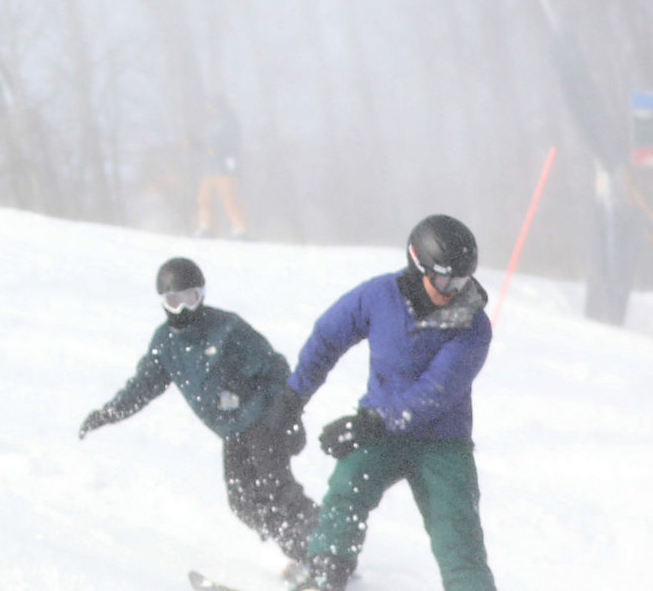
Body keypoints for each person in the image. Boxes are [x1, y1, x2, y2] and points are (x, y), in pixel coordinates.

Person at [286, 214, 496, 591]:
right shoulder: (379, 296)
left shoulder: (474, 325)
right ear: (418, 265)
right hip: (381, 432)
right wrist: (294, 395)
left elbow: (437, 390)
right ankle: (324, 578)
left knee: (458, 538)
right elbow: (327, 338)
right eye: (444, 281)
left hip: (442, 443)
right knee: (347, 488)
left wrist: (374, 422)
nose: (452, 291)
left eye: (462, 281)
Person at [79, 257, 320, 577]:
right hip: (233, 431)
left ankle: (325, 551)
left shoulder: (227, 329)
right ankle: (305, 549)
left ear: (202, 295)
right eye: (173, 301)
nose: (182, 309)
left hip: (263, 418)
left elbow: (275, 368)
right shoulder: (166, 343)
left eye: (189, 298)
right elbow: (143, 385)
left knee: (276, 488)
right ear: (163, 302)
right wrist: (109, 412)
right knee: (243, 502)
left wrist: (286, 414)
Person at [192, 102, 249, 239]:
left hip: (224, 168)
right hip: (209, 168)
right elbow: (207, 147)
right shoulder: (211, 126)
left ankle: (240, 229)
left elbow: (232, 145)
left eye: (212, 107)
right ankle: (206, 227)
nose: (210, 111)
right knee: (204, 198)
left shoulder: (229, 124)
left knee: (230, 198)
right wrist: (194, 144)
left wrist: (221, 151)